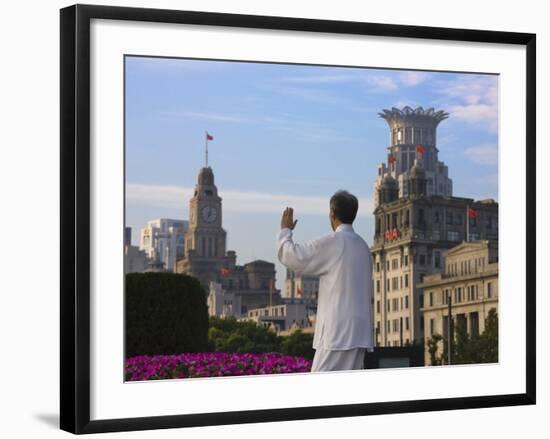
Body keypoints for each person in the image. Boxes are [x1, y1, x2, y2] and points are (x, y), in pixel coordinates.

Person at [276, 190, 374, 372]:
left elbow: (293, 256)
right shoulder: (363, 246)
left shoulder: (334, 242)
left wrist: (285, 231)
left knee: (318, 392)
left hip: (337, 333)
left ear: (332, 214)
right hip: (360, 333)